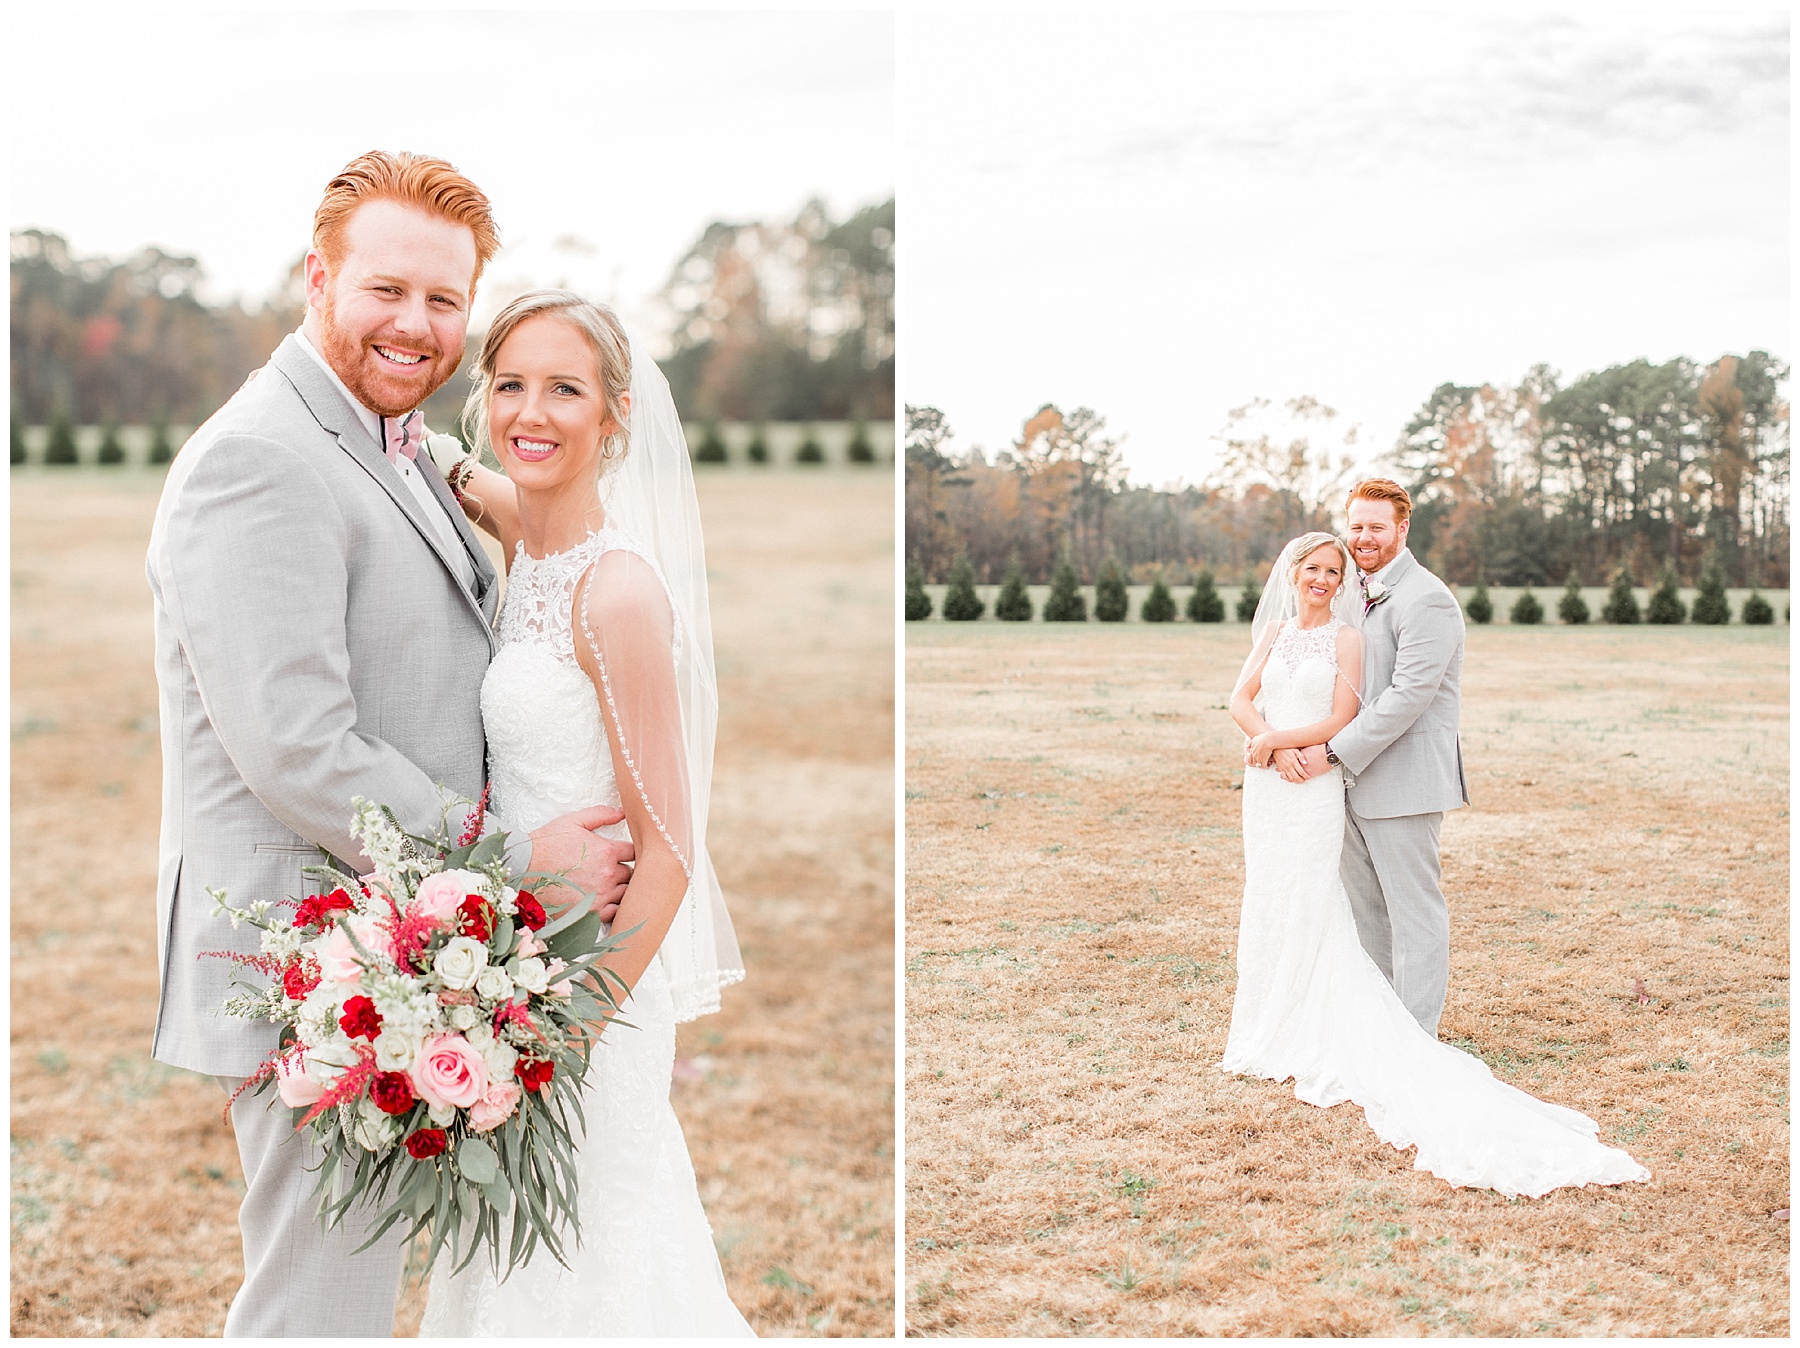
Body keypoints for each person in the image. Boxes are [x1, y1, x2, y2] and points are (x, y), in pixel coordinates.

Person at [146, 152, 637, 1337]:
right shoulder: (259, 459)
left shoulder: (388, 437)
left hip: (402, 941)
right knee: (320, 1308)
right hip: (314, 957)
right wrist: (512, 859)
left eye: (444, 299)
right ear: (318, 278)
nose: (416, 324)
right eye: (387, 290)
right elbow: (299, 748)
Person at [416, 290, 751, 1336]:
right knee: (506, 1270)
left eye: (565, 389)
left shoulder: (615, 596)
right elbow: (457, 470)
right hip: (510, 971)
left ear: (614, 416)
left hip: (586, 1000)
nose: (532, 412)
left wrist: (566, 1034)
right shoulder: (533, 535)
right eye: (511, 384)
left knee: (590, 1269)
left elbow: (670, 852)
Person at [1223, 532, 1649, 1197]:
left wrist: (1282, 741)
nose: (1324, 577)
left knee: (1325, 901)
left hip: (1314, 780)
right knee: (1274, 897)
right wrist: (1268, 745)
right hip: (1272, 784)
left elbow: (1346, 715)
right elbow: (1239, 698)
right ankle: (1269, 1020)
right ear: (1293, 571)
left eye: (1333, 570)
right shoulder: (1275, 630)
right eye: (1314, 567)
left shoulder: (1353, 635)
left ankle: (1395, 1033)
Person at [1275, 479, 1465, 1036]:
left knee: (1414, 912)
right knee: (1366, 913)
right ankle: (1380, 1032)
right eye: (1356, 526)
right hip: (1344, 784)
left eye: (1377, 527)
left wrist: (1331, 752)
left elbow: (1408, 697)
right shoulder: (1347, 590)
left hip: (1403, 779)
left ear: (1402, 529)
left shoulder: (1427, 599)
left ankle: (1417, 1037)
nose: (1364, 537)